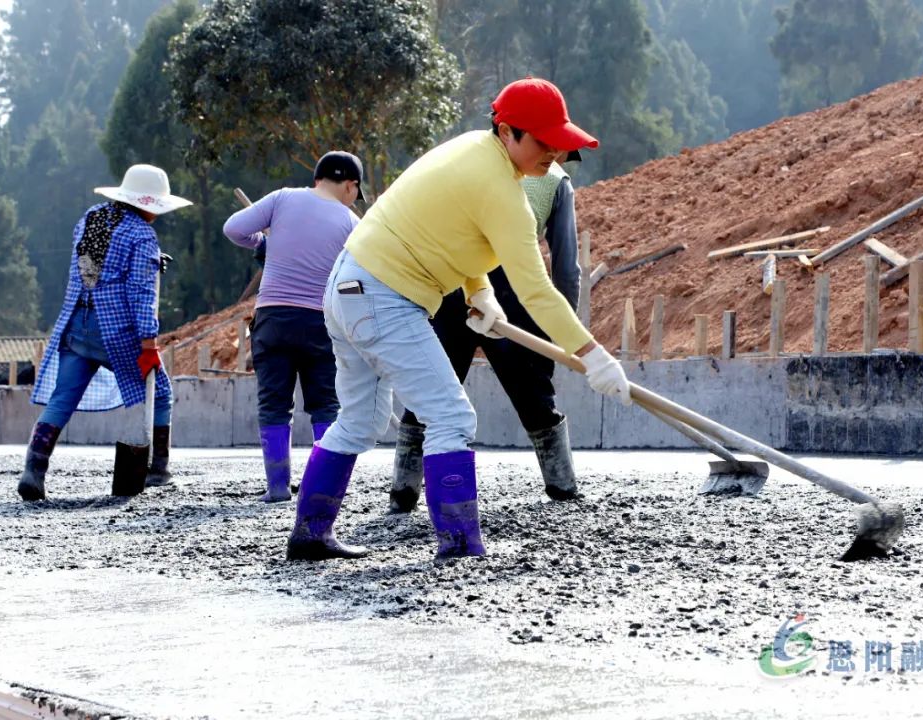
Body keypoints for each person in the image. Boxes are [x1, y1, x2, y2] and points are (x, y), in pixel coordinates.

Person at [285, 77, 631, 562]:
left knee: (360, 419)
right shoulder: (502, 190)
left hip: (350, 286)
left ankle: (309, 535)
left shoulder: (472, 152)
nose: (552, 151)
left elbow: (457, 235)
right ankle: (458, 543)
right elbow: (536, 290)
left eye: (558, 141)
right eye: (541, 141)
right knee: (450, 416)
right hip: (384, 294)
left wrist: (480, 291)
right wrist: (593, 355)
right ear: (507, 131)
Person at [388, 149, 586, 512]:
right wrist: (561, 329)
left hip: (450, 279)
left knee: (430, 386)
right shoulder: (557, 182)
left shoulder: (464, 161)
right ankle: (562, 485)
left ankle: (403, 490)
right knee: (534, 391)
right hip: (513, 283)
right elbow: (566, 269)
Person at [22, 164, 191, 501]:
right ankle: (158, 470)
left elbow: (95, 271)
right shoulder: (142, 234)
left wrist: (151, 259)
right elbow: (141, 293)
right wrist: (148, 343)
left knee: (63, 399)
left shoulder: (91, 218)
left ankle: (33, 471)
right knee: (159, 392)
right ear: (148, 203)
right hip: (115, 331)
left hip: (76, 323)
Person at [223, 151, 366, 503]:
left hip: (273, 319)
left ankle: (276, 488)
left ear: (317, 178)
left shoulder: (282, 198)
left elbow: (233, 229)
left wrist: (264, 245)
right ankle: (324, 485)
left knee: (273, 403)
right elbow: (361, 274)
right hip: (321, 323)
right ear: (351, 186)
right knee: (326, 405)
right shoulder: (352, 223)